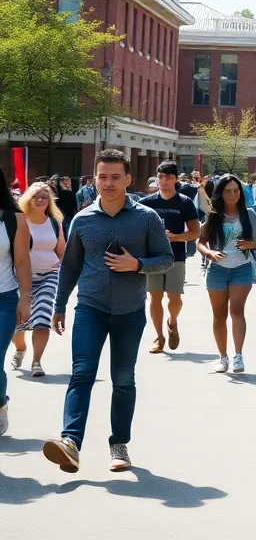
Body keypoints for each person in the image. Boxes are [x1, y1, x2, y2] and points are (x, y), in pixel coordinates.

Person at [42, 149, 174, 472]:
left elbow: (166, 258)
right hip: (90, 308)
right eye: (103, 177)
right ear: (94, 178)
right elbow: (70, 267)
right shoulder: (83, 220)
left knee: (123, 379)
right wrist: (59, 306)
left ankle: (119, 445)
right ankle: (70, 442)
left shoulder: (146, 218)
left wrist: (137, 264)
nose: (109, 183)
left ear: (128, 180)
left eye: (116, 177)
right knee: (82, 373)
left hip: (130, 313)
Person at [197, 174, 256, 375]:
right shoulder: (213, 214)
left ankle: (238, 355)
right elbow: (201, 241)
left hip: (241, 267)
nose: (232, 195)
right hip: (217, 269)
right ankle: (222, 357)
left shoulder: (249, 214)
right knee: (219, 314)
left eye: (236, 191)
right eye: (227, 191)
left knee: (237, 311)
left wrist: (251, 244)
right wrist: (209, 252)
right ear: (220, 193)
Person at [139, 161, 200, 354]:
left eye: (168, 177)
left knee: (174, 297)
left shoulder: (184, 203)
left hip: (176, 256)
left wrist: (175, 237)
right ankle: (159, 336)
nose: (164, 181)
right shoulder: (146, 204)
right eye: (160, 177)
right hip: (152, 257)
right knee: (154, 297)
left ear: (175, 179)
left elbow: (195, 232)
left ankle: (172, 322)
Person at [10, 182, 64, 379]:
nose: (40, 200)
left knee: (42, 318)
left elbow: (61, 249)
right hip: (19, 277)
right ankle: (20, 348)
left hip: (49, 274)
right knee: (17, 322)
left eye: (44, 197)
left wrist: (64, 272)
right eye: (36, 196)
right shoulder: (18, 220)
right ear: (28, 199)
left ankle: (36, 362)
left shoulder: (53, 221)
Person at [0, 166, 30, 437]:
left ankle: (0, 406)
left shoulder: (13, 219)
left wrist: (25, 298)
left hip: (4, 299)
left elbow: (21, 261)